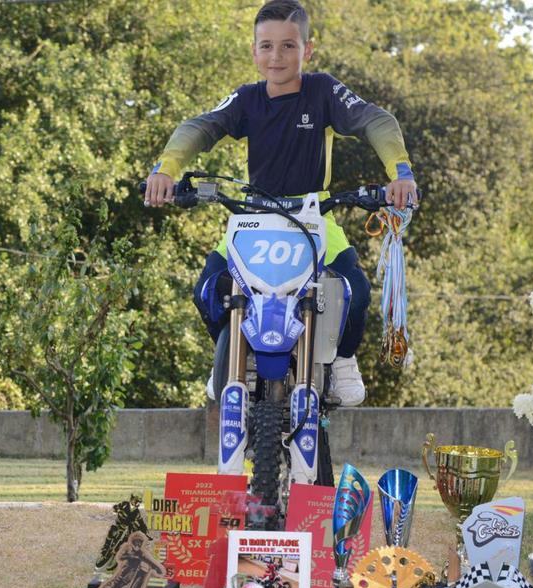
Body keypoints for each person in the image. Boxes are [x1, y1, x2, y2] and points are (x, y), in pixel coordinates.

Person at [143, 0, 418, 406]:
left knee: (355, 293)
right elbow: (198, 127)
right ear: (254, 51)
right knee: (207, 288)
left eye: (289, 46)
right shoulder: (246, 99)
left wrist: (401, 173)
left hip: (314, 216)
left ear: (308, 50)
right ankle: (231, 352)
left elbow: (377, 121)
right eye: (267, 46)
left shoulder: (323, 90)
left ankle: (341, 360)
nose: (277, 57)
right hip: (254, 218)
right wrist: (165, 169)